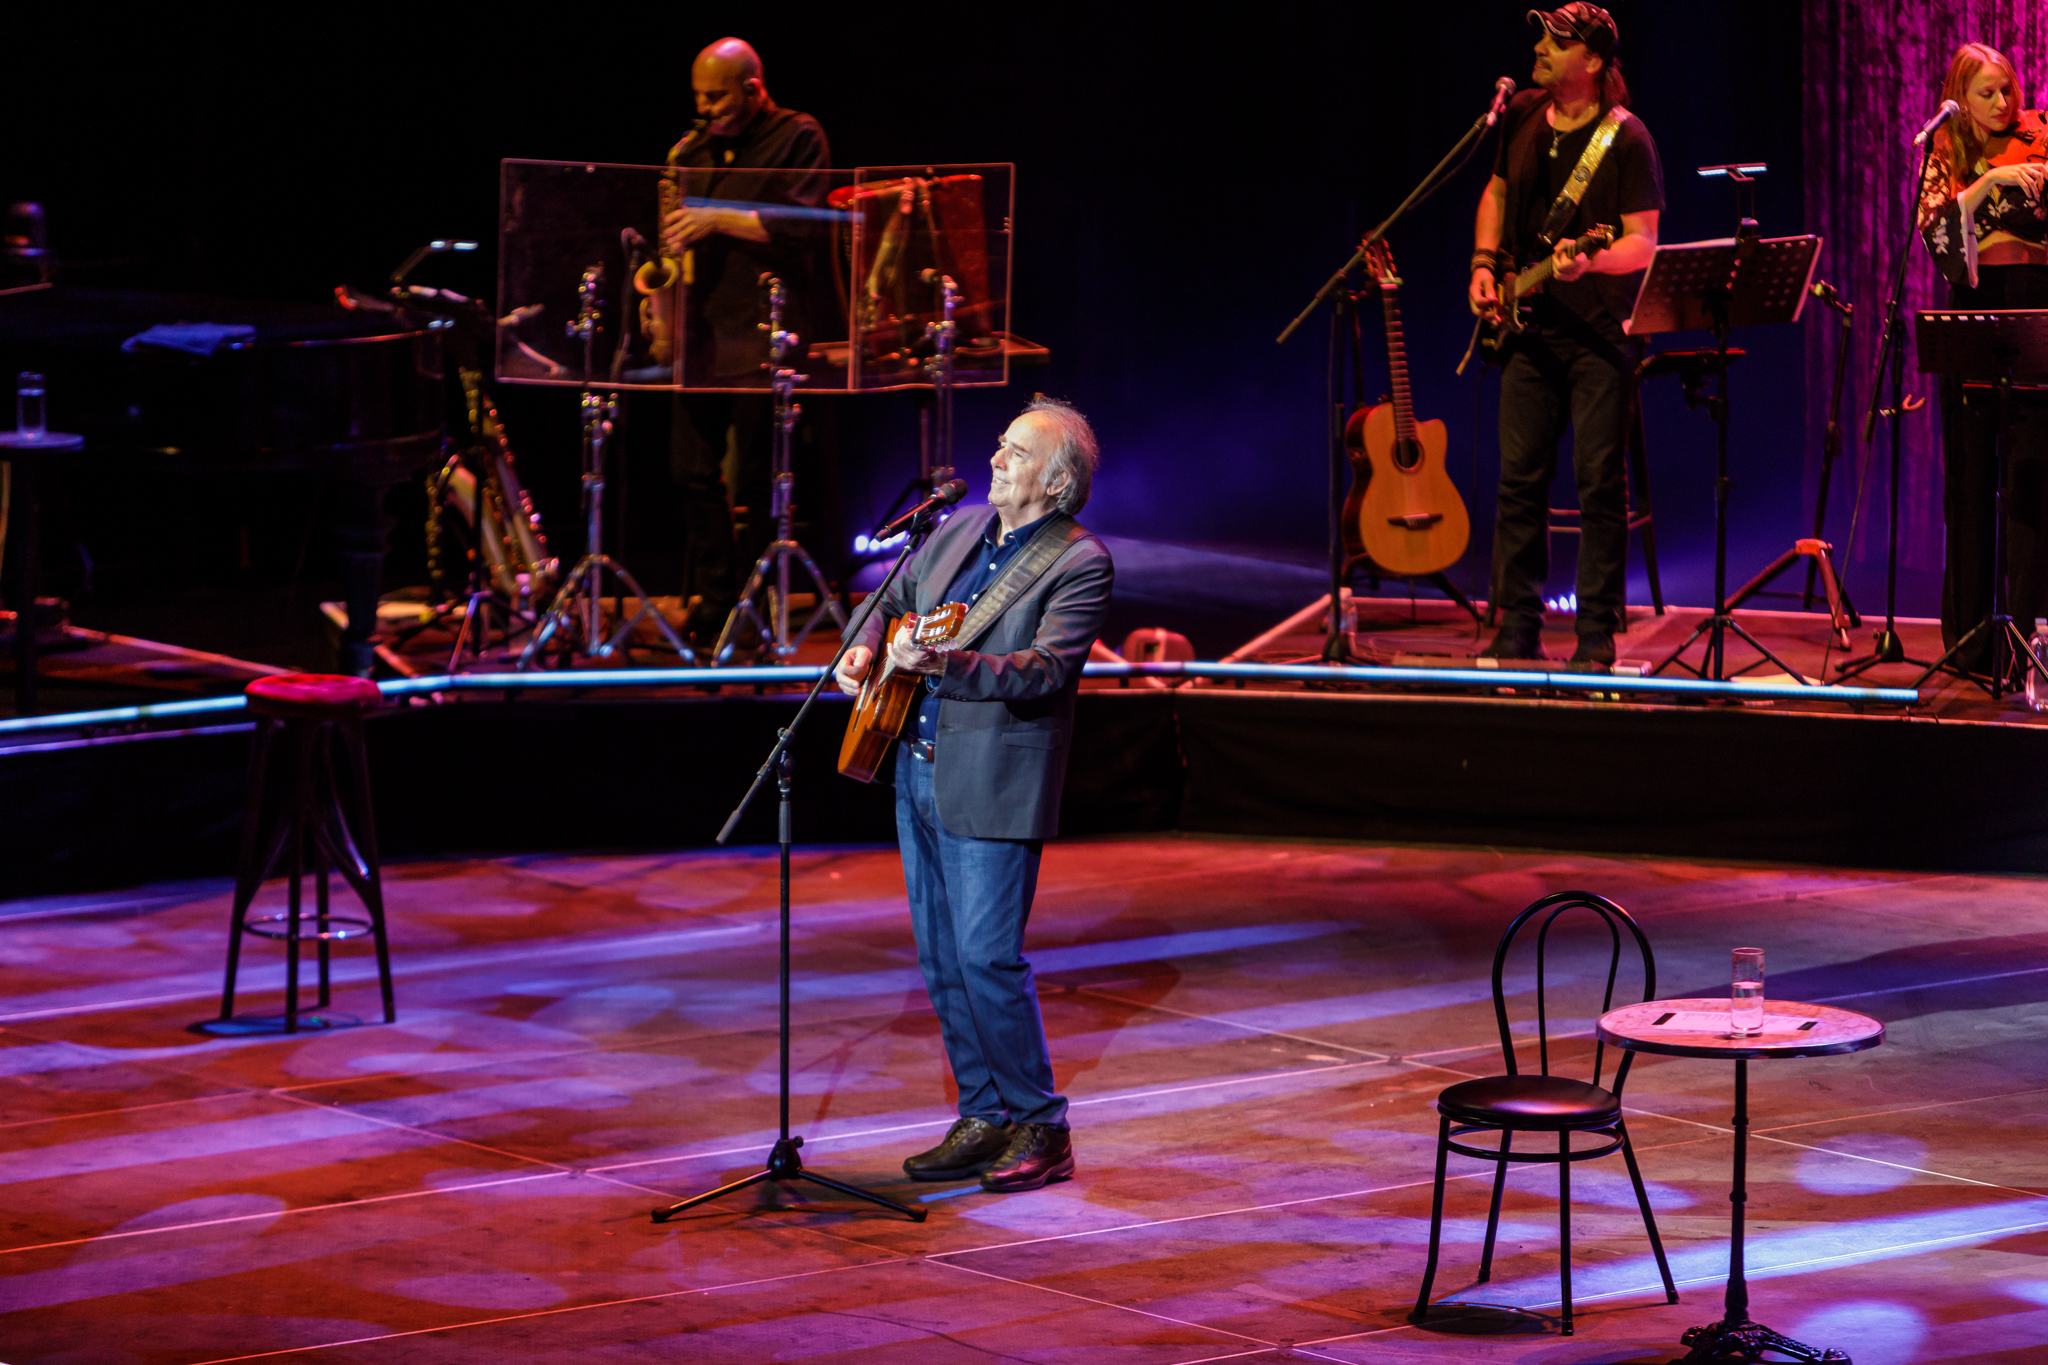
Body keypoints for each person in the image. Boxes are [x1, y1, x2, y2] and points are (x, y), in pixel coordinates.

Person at [834, 397, 1112, 1192]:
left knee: (987, 956)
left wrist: (944, 667)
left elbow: (1046, 669)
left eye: (1016, 453)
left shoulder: (1077, 561)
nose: (995, 460)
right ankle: (983, 1111)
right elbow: (886, 604)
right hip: (916, 765)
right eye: (1001, 445)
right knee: (940, 957)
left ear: (1055, 482)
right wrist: (860, 653)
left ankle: (1041, 1124)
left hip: (995, 779)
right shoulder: (953, 533)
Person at [1469, 4, 1662, 667]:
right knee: (1518, 481)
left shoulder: (1627, 138)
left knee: (1597, 485)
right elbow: (1494, 192)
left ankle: (1593, 636)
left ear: (1594, 62)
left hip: (1600, 337)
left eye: (1559, 41)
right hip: (1528, 328)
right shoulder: (1521, 112)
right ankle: (1516, 625)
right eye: (1542, 37)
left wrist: (1591, 261)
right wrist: (1485, 264)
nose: (1541, 48)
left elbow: (1642, 242)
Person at [660, 38, 837, 646]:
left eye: (716, 96)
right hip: (702, 333)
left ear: (753, 89)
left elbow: (806, 223)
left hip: (767, 333)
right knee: (688, 470)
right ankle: (717, 598)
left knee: (758, 480)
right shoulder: (692, 149)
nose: (705, 108)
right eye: (699, 97)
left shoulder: (798, 136)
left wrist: (713, 215)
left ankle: (757, 608)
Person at [1917, 42, 2048, 676]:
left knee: (2027, 477)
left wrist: (1991, 203)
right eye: (1987, 94)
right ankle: (1968, 647)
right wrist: (1990, 184)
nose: (2004, 104)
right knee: (1967, 479)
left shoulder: (2041, 134)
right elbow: (1938, 237)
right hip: (1971, 304)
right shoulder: (1945, 152)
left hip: (2036, 301)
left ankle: (2021, 642)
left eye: (2007, 91)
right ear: (1960, 102)